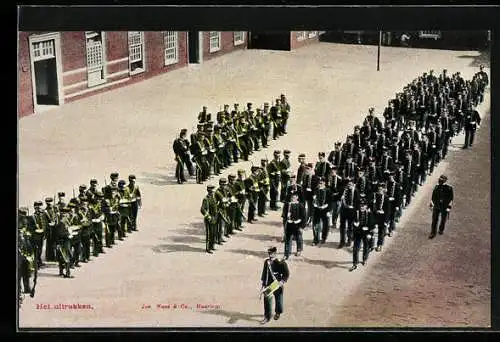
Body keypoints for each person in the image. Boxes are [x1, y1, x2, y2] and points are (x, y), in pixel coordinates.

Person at [260, 246, 290, 323]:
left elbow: (286, 274)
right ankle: (267, 316)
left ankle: (278, 312)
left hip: (277, 283)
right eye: (269, 253)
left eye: (272, 253)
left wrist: (282, 281)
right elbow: (264, 274)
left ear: (275, 253)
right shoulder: (266, 262)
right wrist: (263, 284)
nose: (270, 255)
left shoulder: (280, 262)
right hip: (269, 284)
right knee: (267, 300)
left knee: (278, 299)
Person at [350, 199, 374, 271]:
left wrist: (369, 233)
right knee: (355, 248)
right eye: (361, 205)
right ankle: (355, 263)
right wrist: (354, 225)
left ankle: (365, 259)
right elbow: (353, 222)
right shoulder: (356, 213)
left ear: (366, 206)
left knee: (366, 247)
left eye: (363, 206)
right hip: (358, 233)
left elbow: (372, 225)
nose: (362, 207)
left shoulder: (370, 214)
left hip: (366, 233)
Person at [282, 193, 306, 259]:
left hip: (298, 225)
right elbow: (284, 215)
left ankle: (299, 250)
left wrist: (302, 226)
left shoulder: (300, 205)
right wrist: (286, 220)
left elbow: (304, 217)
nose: (293, 199)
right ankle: (287, 253)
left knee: (299, 238)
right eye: (292, 197)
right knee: (288, 239)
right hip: (289, 224)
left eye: (295, 197)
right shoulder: (287, 205)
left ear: (297, 198)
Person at [429, 175, 454, 239]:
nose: (440, 181)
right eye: (440, 180)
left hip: (444, 206)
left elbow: (451, 199)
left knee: (443, 219)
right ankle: (433, 232)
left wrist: (449, 207)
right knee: (434, 219)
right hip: (437, 205)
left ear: (445, 181)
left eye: (442, 180)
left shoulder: (449, 188)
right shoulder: (436, 187)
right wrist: (431, 204)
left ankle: (441, 229)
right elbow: (433, 196)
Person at [339, 179, 359, 248]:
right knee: (342, 227)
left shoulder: (356, 191)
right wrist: (340, 197)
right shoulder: (344, 190)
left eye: (350, 185)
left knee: (350, 227)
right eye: (348, 184)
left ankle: (349, 240)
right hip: (344, 210)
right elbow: (339, 197)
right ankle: (342, 241)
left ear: (353, 185)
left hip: (351, 211)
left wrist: (354, 209)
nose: (349, 186)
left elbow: (357, 203)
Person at [312, 177, 331, 245]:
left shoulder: (328, 190)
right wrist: (314, 203)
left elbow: (330, 201)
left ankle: (323, 238)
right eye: (319, 183)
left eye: (321, 183)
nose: (320, 184)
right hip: (317, 210)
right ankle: (316, 239)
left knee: (326, 225)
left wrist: (328, 210)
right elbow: (313, 199)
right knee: (315, 225)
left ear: (324, 183)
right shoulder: (316, 189)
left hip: (325, 210)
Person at [201, 185, 218, 253]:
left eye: (213, 191)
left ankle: (212, 245)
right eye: (212, 191)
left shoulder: (214, 198)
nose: (213, 192)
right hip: (209, 218)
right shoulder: (206, 199)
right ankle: (208, 248)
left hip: (214, 217)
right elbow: (202, 209)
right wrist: (208, 216)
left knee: (213, 233)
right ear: (209, 191)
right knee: (209, 233)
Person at [43, 197, 58, 262]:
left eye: (50, 202)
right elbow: (44, 220)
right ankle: (49, 257)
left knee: (56, 243)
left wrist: (55, 223)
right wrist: (48, 224)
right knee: (49, 243)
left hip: (55, 228)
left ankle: (56, 257)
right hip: (49, 229)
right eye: (47, 202)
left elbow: (57, 217)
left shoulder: (55, 209)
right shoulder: (45, 211)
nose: (49, 204)